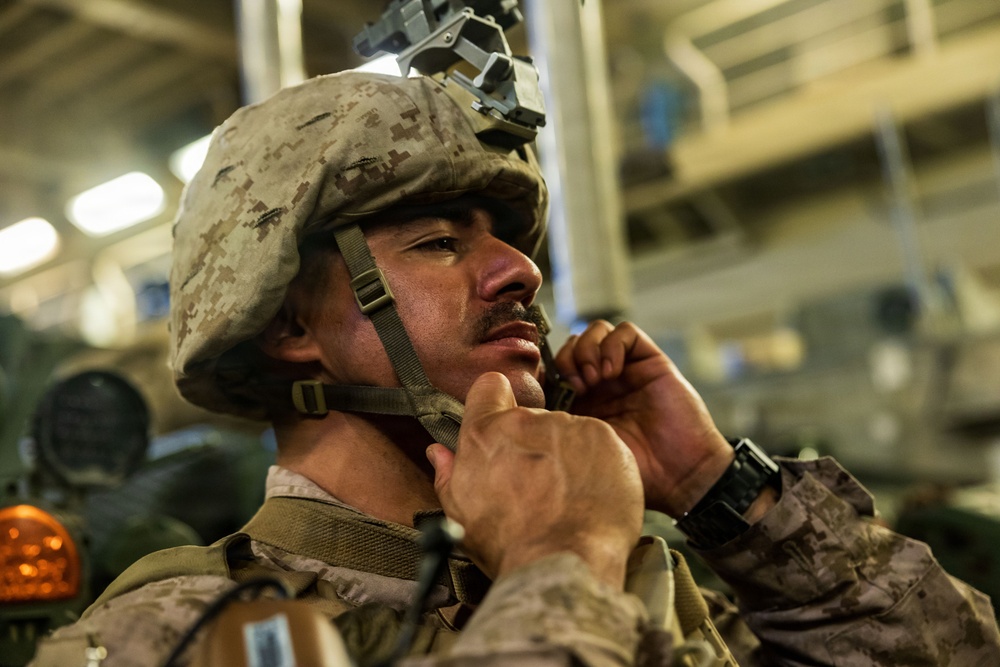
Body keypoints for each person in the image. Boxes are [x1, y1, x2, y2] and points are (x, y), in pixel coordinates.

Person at [31, 71, 999, 667]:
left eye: (506, 242)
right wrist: (560, 565)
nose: (520, 270)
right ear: (291, 323)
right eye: (440, 244)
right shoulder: (176, 635)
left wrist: (721, 496)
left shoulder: (655, 580)